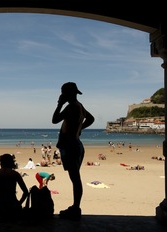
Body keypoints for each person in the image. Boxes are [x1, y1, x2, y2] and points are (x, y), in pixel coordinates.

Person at [52, 82, 95, 221]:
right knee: (75, 177)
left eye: (63, 93)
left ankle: (76, 208)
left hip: (71, 146)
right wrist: (80, 129)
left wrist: (59, 104)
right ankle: (75, 207)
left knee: (75, 178)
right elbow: (91, 119)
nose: (62, 95)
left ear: (67, 94)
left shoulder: (71, 107)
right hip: (76, 144)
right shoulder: (79, 106)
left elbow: (54, 120)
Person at [0, 153, 28, 221]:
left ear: (1, 163)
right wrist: (19, 203)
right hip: (13, 206)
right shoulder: (15, 174)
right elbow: (26, 192)